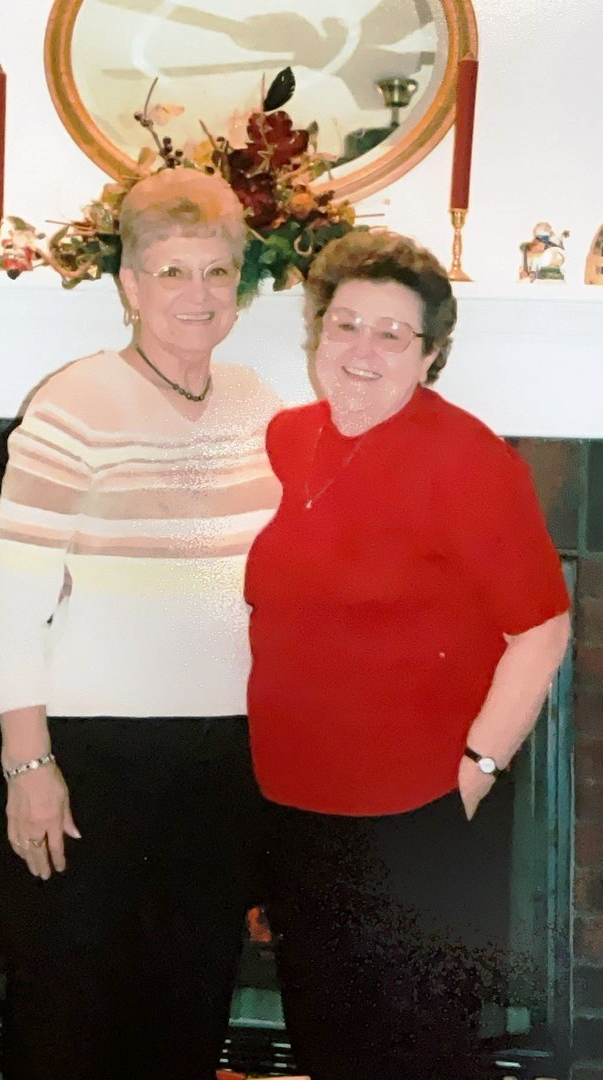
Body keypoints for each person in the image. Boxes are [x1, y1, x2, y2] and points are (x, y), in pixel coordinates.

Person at [244, 229, 571, 1080]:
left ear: (430, 355)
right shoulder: (286, 439)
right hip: (294, 799)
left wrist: (477, 767)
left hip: (417, 809)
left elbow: (542, 628)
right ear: (318, 332)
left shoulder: (469, 460)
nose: (362, 350)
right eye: (345, 324)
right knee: (327, 1038)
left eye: (392, 334)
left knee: (419, 1049)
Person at [0, 167, 282, 1080]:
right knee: (67, 1016)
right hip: (91, 754)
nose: (198, 294)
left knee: (186, 1012)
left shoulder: (259, 404)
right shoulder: (73, 403)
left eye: (218, 272)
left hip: (226, 758)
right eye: (171, 271)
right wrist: (28, 763)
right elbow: (14, 594)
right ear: (129, 286)